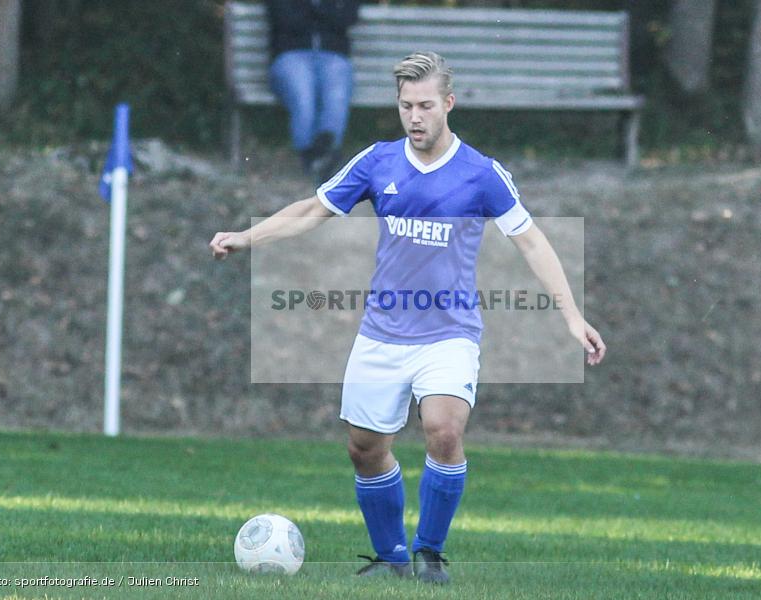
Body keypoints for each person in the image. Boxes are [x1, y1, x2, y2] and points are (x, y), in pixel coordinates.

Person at [210, 51, 606, 585]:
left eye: (425, 106)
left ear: (448, 103)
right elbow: (314, 208)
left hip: (449, 335)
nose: (414, 117)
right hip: (382, 333)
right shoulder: (377, 162)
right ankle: (392, 556)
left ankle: (429, 552)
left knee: (443, 429)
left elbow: (532, 242)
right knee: (364, 449)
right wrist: (247, 237)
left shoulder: (482, 174)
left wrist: (571, 315)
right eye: (405, 106)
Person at [266, 0, 361, 184]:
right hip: (291, 56)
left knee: (337, 95)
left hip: (333, 55)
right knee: (303, 95)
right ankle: (311, 155)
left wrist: (313, 10)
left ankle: (325, 152)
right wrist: (324, 11)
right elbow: (285, 20)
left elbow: (348, 17)